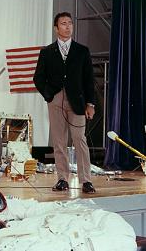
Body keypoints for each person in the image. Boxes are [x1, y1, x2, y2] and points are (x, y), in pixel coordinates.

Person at [33, 12, 96, 194]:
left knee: (79, 140)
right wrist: (48, 95)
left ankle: (86, 181)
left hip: (78, 101)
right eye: (63, 23)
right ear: (56, 28)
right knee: (59, 142)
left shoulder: (82, 51)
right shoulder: (46, 52)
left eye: (70, 23)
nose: (68, 26)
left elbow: (89, 80)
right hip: (56, 100)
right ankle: (62, 179)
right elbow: (38, 77)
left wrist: (90, 104)